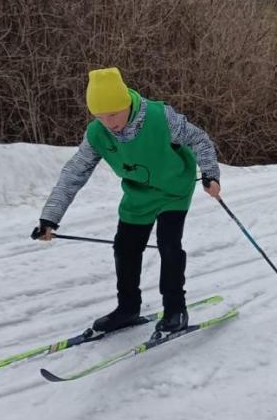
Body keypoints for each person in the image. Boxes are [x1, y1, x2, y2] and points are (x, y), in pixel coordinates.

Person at [32, 67, 222, 338]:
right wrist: (49, 218)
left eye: (113, 114)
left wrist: (210, 174)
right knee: (125, 247)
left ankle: (175, 311)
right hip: (138, 193)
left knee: (169, 245)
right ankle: (128, 308)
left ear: (126, 104)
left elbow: (200, 140)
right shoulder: (97, 134)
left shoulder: (160, 117)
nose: (108, 123)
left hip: (174, 188)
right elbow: (74, 172)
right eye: (100, 116)